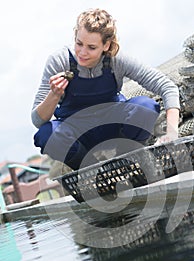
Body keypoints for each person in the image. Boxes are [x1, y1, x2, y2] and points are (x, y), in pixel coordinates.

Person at [31, 8, 180, 170]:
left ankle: (127, 159)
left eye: (91, 47)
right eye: (79, 43)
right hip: (78, 133)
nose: (82, 52)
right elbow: (38, 120)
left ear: (106, 45)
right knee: (46, 134)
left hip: (113, 125)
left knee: (146, 107)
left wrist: (172, 133)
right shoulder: (59, 61)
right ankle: (93, 170)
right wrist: (54, 95)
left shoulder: (117, 60)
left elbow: (167, 87)